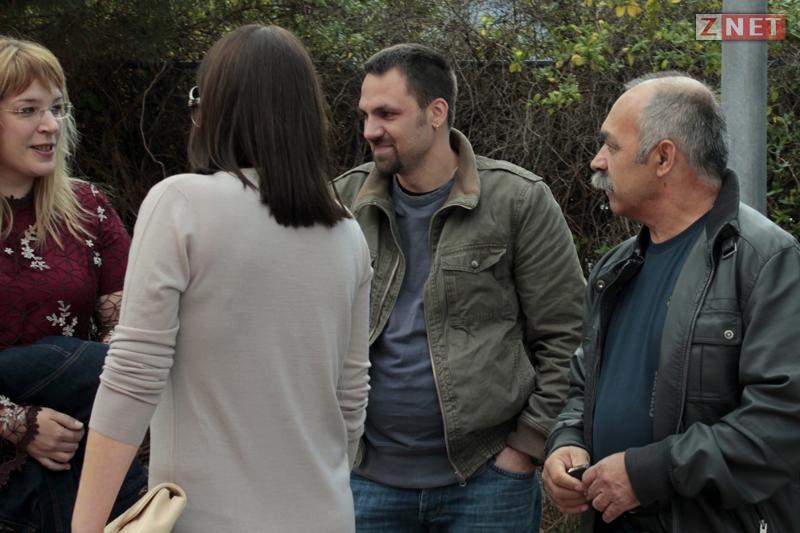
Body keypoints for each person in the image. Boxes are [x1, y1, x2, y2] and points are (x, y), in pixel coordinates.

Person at [71, 24, 371, 533]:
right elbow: (351, 397)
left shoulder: (181, 203)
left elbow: (133, 376)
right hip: (327, 515)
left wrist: (85, 525)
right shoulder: (347, 232)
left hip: (207, 518)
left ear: (216, 110)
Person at [334, 43, 585, 532]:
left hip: (487, 482)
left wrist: (527, 446)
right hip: (363, 479)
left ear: (436, 113)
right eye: (365, 114)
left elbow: (569, 334)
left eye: (387, 114)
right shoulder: (343, 202)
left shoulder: (517, 201)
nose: (369, 130)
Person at [542, 71, 800, 533]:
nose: (597, 161)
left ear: (663, 158)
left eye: (611, 147)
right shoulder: (614, 269)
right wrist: (567, 441)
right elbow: (582, 389)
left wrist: (650, 474)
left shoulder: (767, 262)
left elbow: (782, 422)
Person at [0, 36, 146, 531]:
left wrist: (71, 403)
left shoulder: (89, 209)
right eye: (28, 110)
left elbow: (128, 331)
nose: (50, 125)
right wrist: (18, 422)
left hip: (77, 440)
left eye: (57, 108)